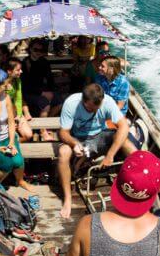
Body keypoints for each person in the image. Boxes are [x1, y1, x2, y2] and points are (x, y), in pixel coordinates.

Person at [58, 84, 137, 219]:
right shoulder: (71, 103)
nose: (94, 111)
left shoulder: (108, 101)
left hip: (99, 136)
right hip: (77, 138)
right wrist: (74, 143)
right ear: (83, 101)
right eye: (90, 108)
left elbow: (124, 126)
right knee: (63, 153)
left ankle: (143, 173)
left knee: (123, 139)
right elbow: (63, 133)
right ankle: (67, 199)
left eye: (97, 108)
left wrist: (110, 155)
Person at [21, 39, 63, 140]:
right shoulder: (25, 63)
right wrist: (43, 93)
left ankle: (47, 120)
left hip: (42, 90)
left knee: (60, 102)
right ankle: (42, 131)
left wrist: (52, 92)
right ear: (30, 49)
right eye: (35, 50)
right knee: (46, 104)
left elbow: (50, 79)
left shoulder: (44, 62)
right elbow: (25, 85)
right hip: (29, 92)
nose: (38, 52)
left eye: (41, 50)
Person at [4, 57, 33, 141]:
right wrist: (10, 119)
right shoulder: (2, 85)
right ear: (9, 71)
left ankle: (13, 142)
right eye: (18, 70)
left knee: (28, 135)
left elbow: (18, 99)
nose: (21, 71)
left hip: (16, 112)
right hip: (5, 116)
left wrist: (19, 115)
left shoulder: (17, 80)